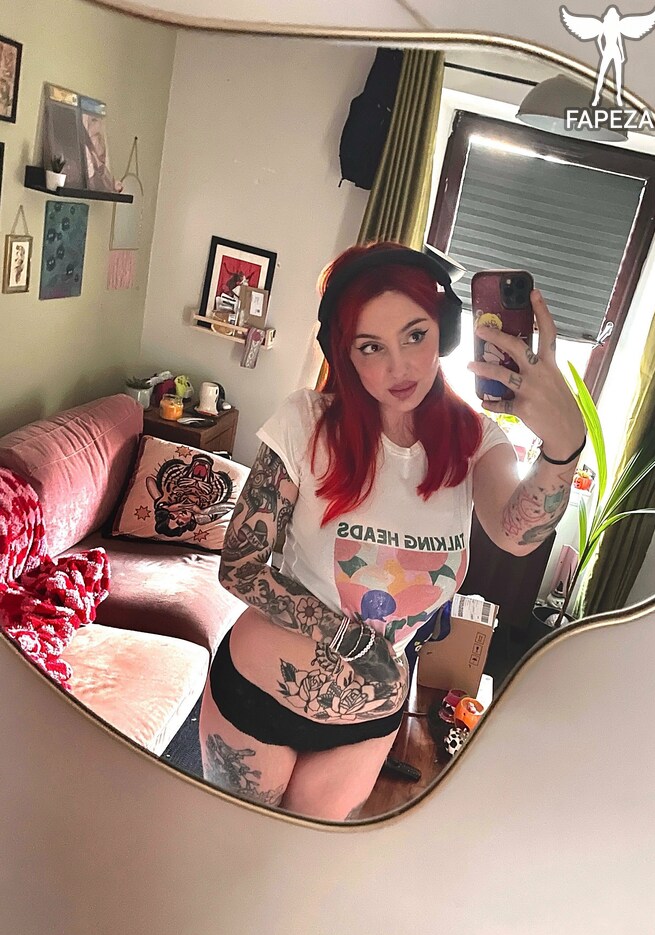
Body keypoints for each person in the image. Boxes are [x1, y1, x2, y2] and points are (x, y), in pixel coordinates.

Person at [199, 242, 586, 820]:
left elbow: (517, 533)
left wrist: (563, 447)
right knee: (229, 848)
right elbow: (240, 566)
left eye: (415, 336)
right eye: (370, 346)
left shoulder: (476, 442)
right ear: (346, 354)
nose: (398, 367)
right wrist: (354, 644)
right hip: (257, 698)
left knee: (299, 863)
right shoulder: (307, 422)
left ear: (444, 334)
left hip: (364, 728)